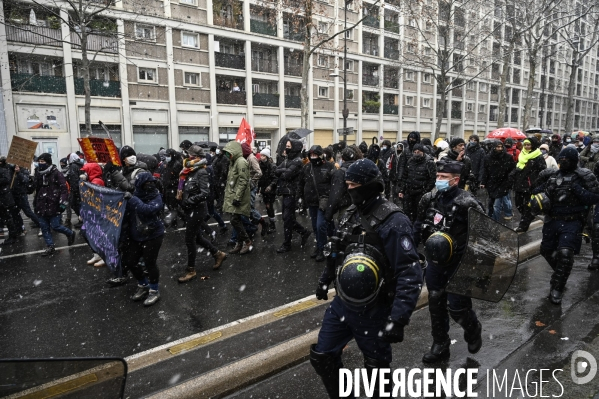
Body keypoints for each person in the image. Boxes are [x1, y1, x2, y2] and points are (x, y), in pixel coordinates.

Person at [310, 159, 423, 398]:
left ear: (369, 186)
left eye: (353, 185)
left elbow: (409, 272)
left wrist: (398, 318)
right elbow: (336, 250)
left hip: (375, 309)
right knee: (323, 357)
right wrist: (325, 279)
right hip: (343, 303)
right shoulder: (351, 212)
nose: (349, 190)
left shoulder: (394, 221)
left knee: (376, 371)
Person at [415, 160, 485, 363]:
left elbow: (484, 232)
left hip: (459, 263)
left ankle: (472, 328)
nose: (439, 180)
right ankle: (440, 344)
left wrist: (476, 263)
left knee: (457, 307)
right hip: (435, 261)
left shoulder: (468, 202)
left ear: (456, 180)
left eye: (444, 178)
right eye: (438, 177)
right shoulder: (429, 198)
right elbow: (419, 223)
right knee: (435, 302)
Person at [533, 147, 599, 304]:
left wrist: (575, 189)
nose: (563, 163)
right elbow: (536, 191)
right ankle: (560, 274)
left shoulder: (584, 176)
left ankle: (557, 287)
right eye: (561, 160)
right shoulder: (553, 175)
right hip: (552, 219)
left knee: (565, 253)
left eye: (566, 161)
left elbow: (594, 197)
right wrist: (539, 199)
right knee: (546, 250)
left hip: (572, 221)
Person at [177, 146, 228, 283]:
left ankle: (191, 270)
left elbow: (205, 193)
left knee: (190, 239)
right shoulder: (187, 170)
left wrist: (189, 200)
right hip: (189, 210)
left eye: (190, 155)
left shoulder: (201, 171)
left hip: (197, 210)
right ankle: (218, 254)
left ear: (197, 157)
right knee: (198, 237)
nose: (188, 157)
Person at [122, 173, 165, 306]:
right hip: (137, 235)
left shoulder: (156, 196)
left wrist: (133, 200)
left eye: (152, 182)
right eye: (147, 183)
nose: (150, 186)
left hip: (153, 234)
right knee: (130, 261)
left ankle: (154, 290)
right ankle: (143, 284)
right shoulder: (135, 195)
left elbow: (147, 209)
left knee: (149, 262)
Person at [33, 153, 76, 256]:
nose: (40, 163)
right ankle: (50, 246)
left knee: (55, 226)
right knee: (44, 227)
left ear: (48, 162)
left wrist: (62, 203)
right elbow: (35, 189)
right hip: (41, 204)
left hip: (54, 204)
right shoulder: (39, 174)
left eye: (42, 161)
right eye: (39, 161)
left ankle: (70, 233)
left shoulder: (57, 173)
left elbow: (64, 189)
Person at [299, 145, 335, 262]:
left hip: (324, 200)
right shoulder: (307, 168)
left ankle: (322, 248)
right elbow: (301, 183)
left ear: (320, 155)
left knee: (320, 226)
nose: (313, 157)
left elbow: (335, 183)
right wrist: (300, 198)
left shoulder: (329, 166)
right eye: (311, 155)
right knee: (315, 226)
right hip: (311, 200)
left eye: (315, 155)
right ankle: (319, 246)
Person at [275, 139, 311, 253]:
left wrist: (281, 171)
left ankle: (287, 244)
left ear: (294, 147)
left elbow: (286, 175)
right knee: (288, 218)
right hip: (286, 192)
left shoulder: (297, 161)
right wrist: (282, 170)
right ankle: (303, 232)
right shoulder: (288, 159)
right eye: (286, 146)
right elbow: (275, 170)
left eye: (288, 146)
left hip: (292, 193)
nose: (286, 147)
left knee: (287, 219)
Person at [222, 141, 254, 255]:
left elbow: (243, 181)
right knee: (236, 220)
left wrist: (237, 197)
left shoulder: (241, 161)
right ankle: (240, 243)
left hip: (238, 197)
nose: (227, 155)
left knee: (235, 220)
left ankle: (247, 241)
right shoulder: (233, 161)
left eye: (228, 153)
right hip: (234, 195)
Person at [510, 137, 546, 232]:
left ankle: (523, 225)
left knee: (527, 206)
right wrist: (512, 175)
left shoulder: (538, 157)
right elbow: (518, 167)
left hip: (530, 186)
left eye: (528, 145)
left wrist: (536, 182)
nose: (526, 147)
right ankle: (528, 216)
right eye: (525, 145)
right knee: (518, 204)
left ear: (533, 145)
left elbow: (543, 171)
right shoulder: (522, 155)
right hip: (519, 185)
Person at [398, 143, 436, 222]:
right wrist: (402, 190)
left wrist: (425, 191)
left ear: (422, 152)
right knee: (408, 212)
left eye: (418, 152)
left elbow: (432, 179)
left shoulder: (429, 162)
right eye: (414, 152)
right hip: (410, 192)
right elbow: (405, 176)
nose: (416, 154)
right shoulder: (410, 161)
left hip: (421, 192)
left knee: (419, 214)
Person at [79, 162, 107, 268]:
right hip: (93, 213)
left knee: (95, 234)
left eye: (85, 171)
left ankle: (103, 256)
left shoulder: (96, 182)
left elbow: (93, 199)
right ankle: (97, 254)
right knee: (87, 232)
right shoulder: (91, 181)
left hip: (97, 214)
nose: (83, 174)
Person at [480, 140, 516, 222]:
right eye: (497, 147)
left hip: (503, 183)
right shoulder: (488, 157)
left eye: (501, 147)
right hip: (491, 183)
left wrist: (510, 178)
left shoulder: (507, 157)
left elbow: (513, 168)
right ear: (494, 147)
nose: (499, 149)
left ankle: (494, 220)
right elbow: (485, 171)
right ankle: (491, 217)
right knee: (491, 202)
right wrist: (483, 182)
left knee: (497, 204)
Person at [241, 143, 270, 236]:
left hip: (251, 186)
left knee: (249, 208)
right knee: (248, 208)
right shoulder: (246, 158)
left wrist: (251, 181)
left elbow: (259, 172)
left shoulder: (251, 158)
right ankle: (256, 223)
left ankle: (262, 222)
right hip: (247, 186)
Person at [9, 163, 40, 235]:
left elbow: (25, 180)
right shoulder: (10, 170)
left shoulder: (23, 170)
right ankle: (20, 228)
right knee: (15, 213)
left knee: (28, 212)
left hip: (21, 194)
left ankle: (41, 225)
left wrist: (18, 172)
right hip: (13, 194)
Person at [257, 148, 277, 232]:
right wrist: (258, 188)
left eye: (264, 155)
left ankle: (272, 225)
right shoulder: (259, 165)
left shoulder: (271, 166)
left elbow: (275, 179)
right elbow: (259, 178)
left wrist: (270, 186)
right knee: (267, 206)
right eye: (261, 155)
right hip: (263, 189)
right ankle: (270, 222)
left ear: (267, 157)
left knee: (269, 207)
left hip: (270, 191)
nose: (262, 157)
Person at [0, 156, 18, 245]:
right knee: (5, 217)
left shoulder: (3, 169)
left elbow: (6, 180)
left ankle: (13, 236)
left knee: (8, 218)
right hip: (3, 197)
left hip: (5, 198)